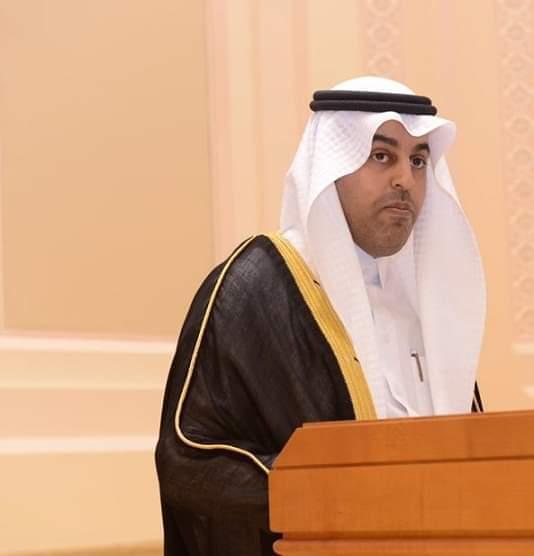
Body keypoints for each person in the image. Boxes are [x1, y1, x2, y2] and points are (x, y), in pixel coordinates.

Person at [155, 76, 486, 556]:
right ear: (331, 165)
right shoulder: (259, 284)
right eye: (381, 156)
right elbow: (189, 457)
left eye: (418, 160)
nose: (405, 179)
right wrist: (335, 493)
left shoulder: (427, 303)